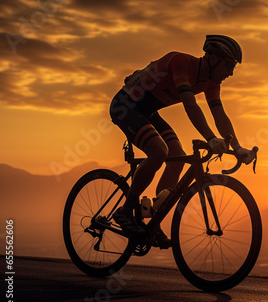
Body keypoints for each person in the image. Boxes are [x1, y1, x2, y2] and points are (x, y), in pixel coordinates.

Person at [109, 35, 254, 248]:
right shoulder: (181, 62)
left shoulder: (211, 82)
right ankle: (125, 210)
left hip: (147, 111)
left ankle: (154, 219)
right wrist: (211, 138)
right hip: (125, 106)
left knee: (176, 157)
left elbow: (220, 115)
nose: (231, 72)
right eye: (229, 65)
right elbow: (190, 104)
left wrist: (237, 147)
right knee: (159, 151)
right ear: (212, 58)